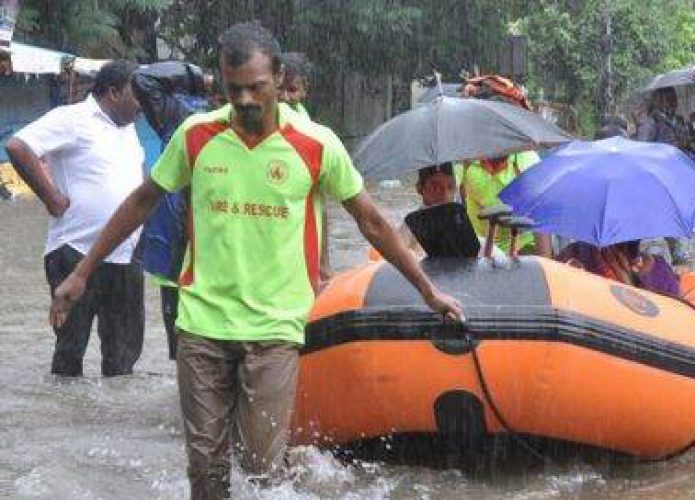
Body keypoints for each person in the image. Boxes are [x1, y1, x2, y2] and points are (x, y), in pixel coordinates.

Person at [48, 22, 463, 498]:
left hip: (275, 328)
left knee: (262, 468)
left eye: (256, 87)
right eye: (234, 89)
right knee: (205, 468)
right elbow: (143, 201)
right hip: (202, 323)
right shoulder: (196, 136)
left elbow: (371, 222)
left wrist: (428, 292)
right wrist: (81, 272)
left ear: (279, 78)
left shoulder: (316, 144)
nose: (245, 100)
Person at [4, 60, 145, 377]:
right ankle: (64, 406)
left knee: (124, 360)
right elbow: (18, 146)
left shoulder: (130, 130)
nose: (143, 103)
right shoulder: (72, 118)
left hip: (126, 255)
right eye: (137, 94)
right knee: (70, 352)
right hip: (74, 252)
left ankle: (115, 409)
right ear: (113, 93)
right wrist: (50, 197)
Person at [132, 60, 213, 360]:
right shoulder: (180, 111)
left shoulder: (252, 117)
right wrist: (197, 76)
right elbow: (143, 78)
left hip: (223, 237)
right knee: (180, 334)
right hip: (177, 237)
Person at [456, 75, 551, 257]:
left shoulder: (528, 162)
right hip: (479, 250)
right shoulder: (464, 162)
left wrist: (544, 267)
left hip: (522, 250)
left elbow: (541, 225)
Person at [636, 86, 693, 265]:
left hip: (674, 177)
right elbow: (641, 151)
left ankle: (676, 259)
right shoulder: (650, 123)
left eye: (673, 100)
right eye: (668, 100)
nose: (672, 103)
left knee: (673, 221)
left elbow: (687, 144)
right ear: (658, 101)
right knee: (664, 222)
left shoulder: (676, 122)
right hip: (658, 179)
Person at [279, 51, 312, 120]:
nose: (284, 97)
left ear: (305, 89)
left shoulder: (304, 121)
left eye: (292, 90)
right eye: (279, 88)